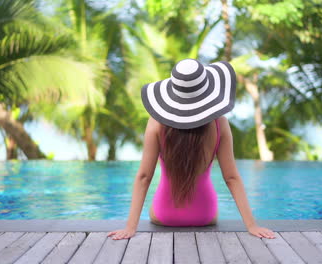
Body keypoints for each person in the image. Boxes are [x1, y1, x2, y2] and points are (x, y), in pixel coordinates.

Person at [107, 59, 275, 240]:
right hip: (205, 215)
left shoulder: (156, 123)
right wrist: (251, 225)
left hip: (164, 215)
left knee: (155, 204)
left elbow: (144, 177)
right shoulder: (220, 124)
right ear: (207, 89)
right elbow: (232, 178)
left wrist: (130, 227)